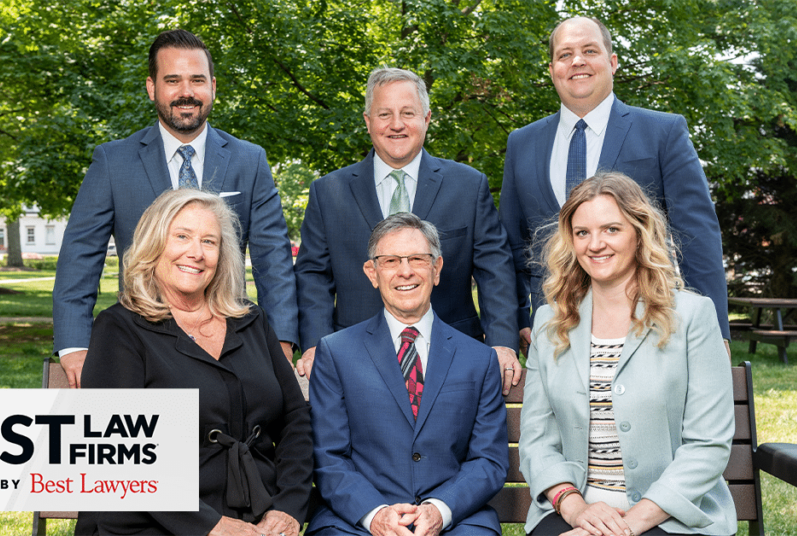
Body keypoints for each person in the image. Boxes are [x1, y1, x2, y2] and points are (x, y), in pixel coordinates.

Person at [53, 29, 298, 389]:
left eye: (197, 80)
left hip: (231, 345)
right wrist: (74, 343)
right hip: (140, 344)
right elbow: (79, 256)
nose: (187, 92)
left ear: (212, 86)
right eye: (173, 80)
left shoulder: (250, 161)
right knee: (153, 444)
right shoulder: (113, 162)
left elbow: (274, 260)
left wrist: (280, 342)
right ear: (152, 88)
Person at [75, 189, 312, 536]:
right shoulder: (120, 329)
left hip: (261, 518)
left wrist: (289, 508)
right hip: (154, 522)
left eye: (209, 241)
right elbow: (119, 452)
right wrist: (210, 525)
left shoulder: (250, 321)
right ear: (154, 244)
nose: (196, 253)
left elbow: (295, 421)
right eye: (182, 236)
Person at [499, 16, 730, 358]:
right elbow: (511, 244)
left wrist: (715, 330)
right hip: (552, 331)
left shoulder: (662, 133)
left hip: (647, 326)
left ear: (612, 62)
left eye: (589, 50)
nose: (577, 61)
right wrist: (517, 318)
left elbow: (697, 235)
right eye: (565, 55)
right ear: (552, 70)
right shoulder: (522, 142)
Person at [518, 172, 735, 536]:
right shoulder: (548, 323)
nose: (595, 244)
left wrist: (625, 527)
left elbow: (708, 445)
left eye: (611, 229)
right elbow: (537, 440)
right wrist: (576, 511)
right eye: (582, 232)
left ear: (639, 233)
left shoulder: (691, 316)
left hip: (671, 514)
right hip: (579, 508)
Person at [295, 67, 521, 393]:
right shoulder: (327, 192)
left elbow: (495, 269)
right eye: (384, 114)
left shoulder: (468, 186)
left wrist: (501, 342)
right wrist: (317, 344)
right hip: (354, 362)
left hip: (452, 361)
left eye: (408, 113)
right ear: (367, 120)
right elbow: (313, 275)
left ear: (427, 118)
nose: (397, 124)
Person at [307, 213, 508, 536]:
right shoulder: (336, 353)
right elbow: (329, 458)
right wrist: (376, 515)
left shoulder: (479, 359)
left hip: (454, 521)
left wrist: (440, 510)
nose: (405, 271)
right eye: (390, 261)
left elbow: (489, 460)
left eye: (417, 259)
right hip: (358, 523)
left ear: (437, 269)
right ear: (372, 273)